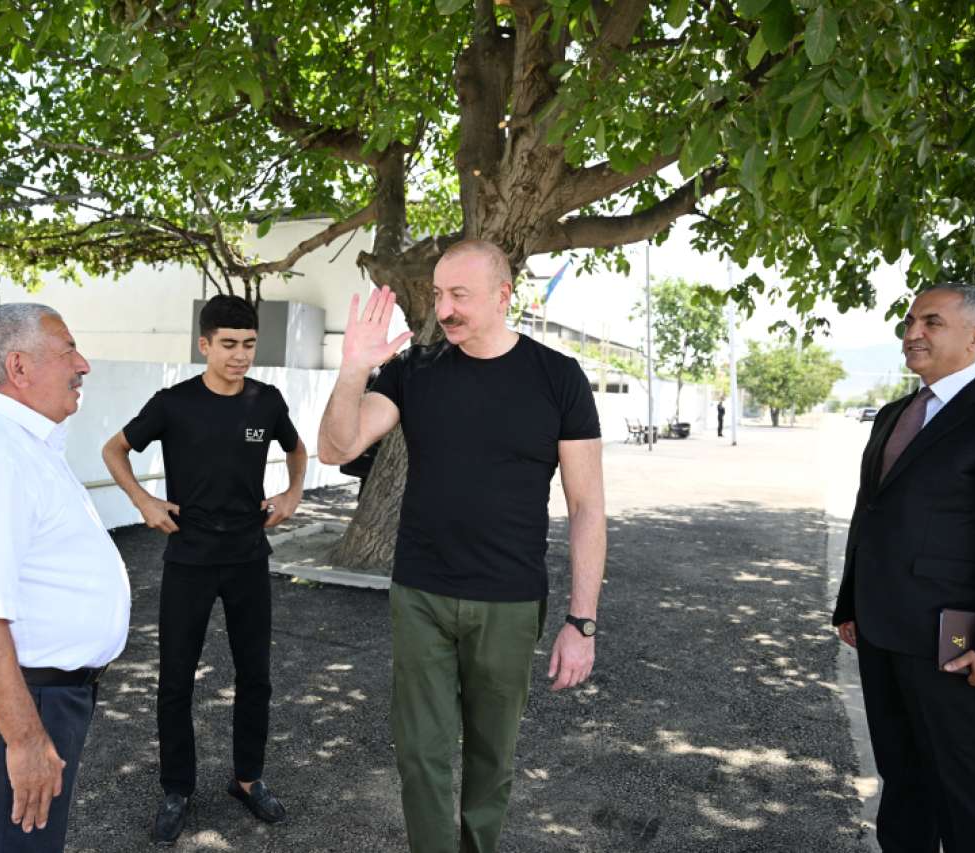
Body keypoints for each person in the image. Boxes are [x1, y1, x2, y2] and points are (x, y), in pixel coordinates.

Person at [317, 239, 607, 853]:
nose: (443, 309)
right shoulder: (413, 372)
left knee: (491, 759)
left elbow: (586, 507)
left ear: (503, 296)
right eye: (438, 294)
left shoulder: (559, 378)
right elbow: (336, 448)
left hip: (509, 600)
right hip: (421, 592)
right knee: (420, 754)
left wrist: (581, 622)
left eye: (459, 295)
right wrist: (353, 369)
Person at [0, 304, 130, 853]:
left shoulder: (20, 444)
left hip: (36, 695)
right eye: (68, 350)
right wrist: (26, 738)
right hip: (16, 703)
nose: (83, 365)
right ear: (18, 367)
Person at [101, 295, 307, 846]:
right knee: (175, 679)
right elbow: (114, 450)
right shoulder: (173, 404)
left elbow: (297, 450)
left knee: (255, 676)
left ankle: (248, 778)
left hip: (248, 558)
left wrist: (293, 493)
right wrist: (144, 501)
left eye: (249, 345)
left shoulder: (266, 401)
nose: (240, 355)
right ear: (204, 345)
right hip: (188, 558)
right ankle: (177, 788)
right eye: (229, 344)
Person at [833, 283, 975, 853]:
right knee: (903, 779)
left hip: (955, 642)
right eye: (910, 321)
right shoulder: (895, 414)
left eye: (931, 322)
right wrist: (850, 604)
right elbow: (870, 513)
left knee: (967, 789)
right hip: (881, 631)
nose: (912, 333)